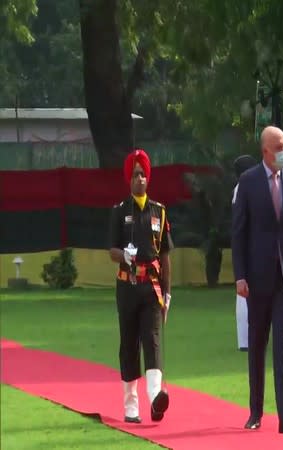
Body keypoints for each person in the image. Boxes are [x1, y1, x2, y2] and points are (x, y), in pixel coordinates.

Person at [231, 125, 283, 434]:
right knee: (257, 345)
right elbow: (238, 233)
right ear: (265, 150)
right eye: (278, 147)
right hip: (257, 277)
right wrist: (240, 276)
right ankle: (255, 412)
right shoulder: (248, 182)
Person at [108, 149, 172, 423]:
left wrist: (167, 295)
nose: (140, 179)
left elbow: (166, 256)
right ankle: (130, 405)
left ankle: (156, 396)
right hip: (127, 286)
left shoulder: (159, 211)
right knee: (129, 343)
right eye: (135, 174)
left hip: (152, 287)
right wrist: (123, 255)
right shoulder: (119, 211)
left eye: (144, 174)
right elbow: (111, 249)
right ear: (128, 179)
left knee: (153, 340)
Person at [232, 154, 258, 351]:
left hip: (246, 245)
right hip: (250, 246)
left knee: (243, 296)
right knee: (246, 294)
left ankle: (245, 340)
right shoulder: (244, 188)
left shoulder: (239, 188)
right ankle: (248, 340)